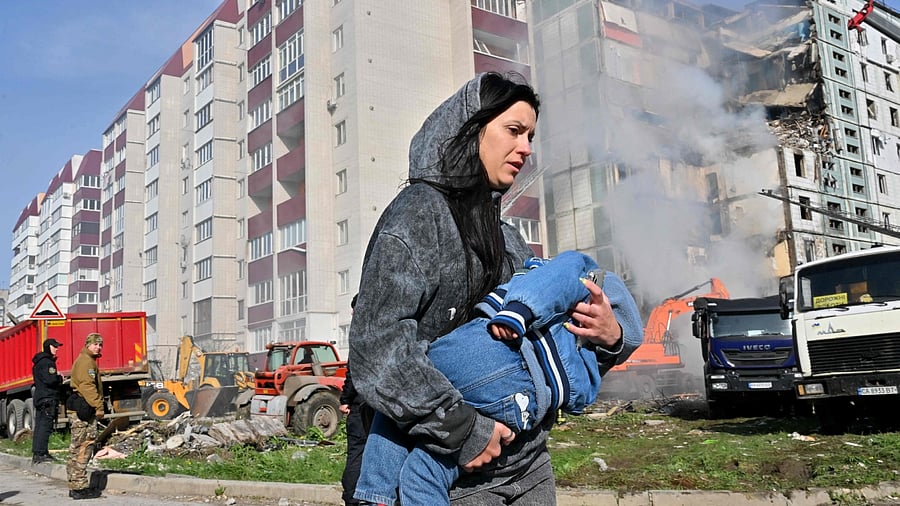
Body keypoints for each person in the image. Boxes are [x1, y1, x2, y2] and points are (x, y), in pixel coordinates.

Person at [348, 71, 635, 505]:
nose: (526, 149)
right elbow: (379, 349)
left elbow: (549, 350)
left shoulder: (507, 238)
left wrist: (609, 337)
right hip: (441, 469)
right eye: (514, 131)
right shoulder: (416, 219)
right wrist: (465, 429)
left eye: (532, 136)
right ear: (471, 129)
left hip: (527, 465)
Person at [354, 251, 642, 505]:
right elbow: (582, 389)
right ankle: (377, 495)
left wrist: (520, 310)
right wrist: (615, 340)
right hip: (515, 399)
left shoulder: (596, 279)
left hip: (498, 359)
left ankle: (374, 494)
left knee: (401, 392)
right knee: (421, 467)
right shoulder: (581, 354)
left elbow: (563, 272)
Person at [340, 294, 376, 506]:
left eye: (354, 311)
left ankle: (353, 499)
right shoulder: (388, 330)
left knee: (357, 452)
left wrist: (345, 399)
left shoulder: (360, 335)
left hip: (361, 404)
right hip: (385, 404)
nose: (352, 315)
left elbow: (353, 373)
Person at [67, 332, 105, 500]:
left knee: (78, 447)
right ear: (88, 344)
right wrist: (99, 407)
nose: (98, 347)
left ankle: (76, 485)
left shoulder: (86, 360)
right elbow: (87, 386)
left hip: (80, 408)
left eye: (100, 344)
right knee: (83, 447)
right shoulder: (86, 362)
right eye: (95, 344)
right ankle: (79, 488)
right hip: (83, 409)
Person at [31, 338, 64, 464]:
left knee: (40, 425)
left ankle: (38, 452)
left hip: (41, 397)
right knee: (45, 426)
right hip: (48, 397)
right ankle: (41, 453)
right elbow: (50, 380)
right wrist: (59, 378)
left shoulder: (39, 362)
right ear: (48, 347)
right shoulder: (47, 363)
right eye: (54, 346)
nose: (56, 349)